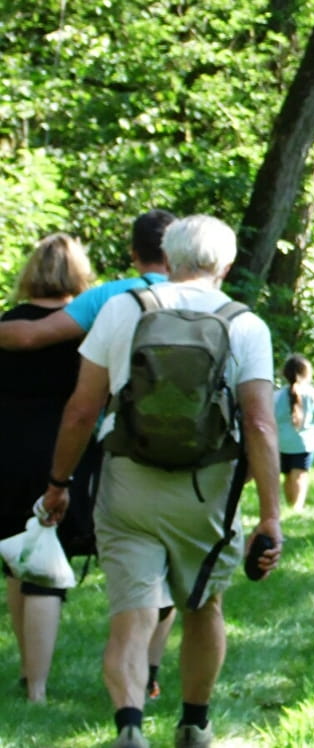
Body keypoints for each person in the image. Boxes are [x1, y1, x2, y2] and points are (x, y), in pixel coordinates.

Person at [39, 214, 282, 748]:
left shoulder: (123, 310)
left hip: (128, 480)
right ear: (227, 263)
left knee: (132, 610)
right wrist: (270, 515)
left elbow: (82, 410)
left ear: (167, 259)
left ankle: (130, 724)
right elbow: (262, 424)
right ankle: (194, 721)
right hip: (208, 491)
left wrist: (59, 483)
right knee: (203, 604)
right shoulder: (245, 323)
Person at [0, 210, 178, 701]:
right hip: (150, 448)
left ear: (133, 251)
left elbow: (32, 336)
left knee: (31, 554)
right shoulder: (209, 301)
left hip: (21, 448)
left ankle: (34, 685)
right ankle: (148, 670)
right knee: (157, 558)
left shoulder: (110, 299)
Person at [2, 233, 94, 703]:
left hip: (7, 448)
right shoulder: (82, 328)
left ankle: (27, 669)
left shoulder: (8, 323)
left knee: (20, 557)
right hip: (61, 449)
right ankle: (37, 688)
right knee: (44, 566)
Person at [275, 355, 314, 512]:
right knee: (300, 475)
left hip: (281, 444)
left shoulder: (277, 396)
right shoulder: (312, 394)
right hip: (304, 443)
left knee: (287, 475)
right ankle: (297, 507)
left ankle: (289, 504)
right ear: (307, 374)